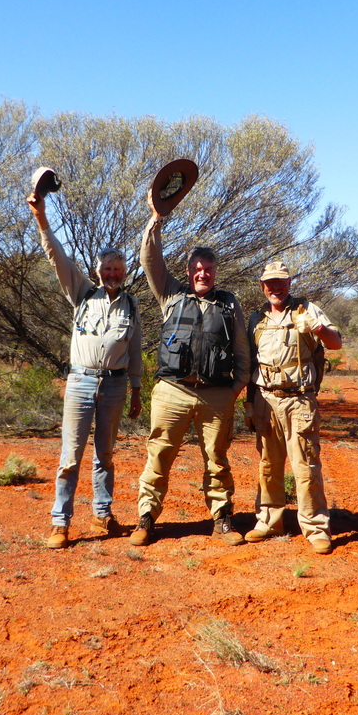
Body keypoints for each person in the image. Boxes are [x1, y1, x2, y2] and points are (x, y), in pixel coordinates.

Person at [27, 190, 142, 550]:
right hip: (79, 382)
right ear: (98, 271)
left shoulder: (131, 304)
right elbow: (56, 257)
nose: (112, 273)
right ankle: (60, 522)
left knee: (105, 454)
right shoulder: (81, 293)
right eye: (107, 269)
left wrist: (137, 390)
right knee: (70, 456)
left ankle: (103, 512)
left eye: (118, 270)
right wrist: (42, 218)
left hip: (115, 386)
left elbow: (135, 350)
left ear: (125, 274)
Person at [129, 210, 249, 547]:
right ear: (188, 272)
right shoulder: (171, 294)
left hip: (216, 395)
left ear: (215, 273)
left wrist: (236, 389)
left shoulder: (228, 303)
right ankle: (146, 519)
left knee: (217, 459)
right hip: (172, 391)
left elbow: (242, 350)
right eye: (197, 269)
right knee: (159, 455)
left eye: (208, 270)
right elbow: (149, 260)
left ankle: (222, 520)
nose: (203, 274)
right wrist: (154, 221)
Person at [243, 261, 343, 554]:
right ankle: (268, 521)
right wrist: (249, 403)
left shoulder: (307, 310)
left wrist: (318, 328)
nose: (276, 287)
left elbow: (336, 343)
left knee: (306, 465)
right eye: (270, 283)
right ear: (262, 286)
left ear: (290, 284)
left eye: (281, 282)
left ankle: (315, 527)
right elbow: (251, 363)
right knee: (268, 465)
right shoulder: (255, 318)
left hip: (299, 399)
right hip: (265, 399)